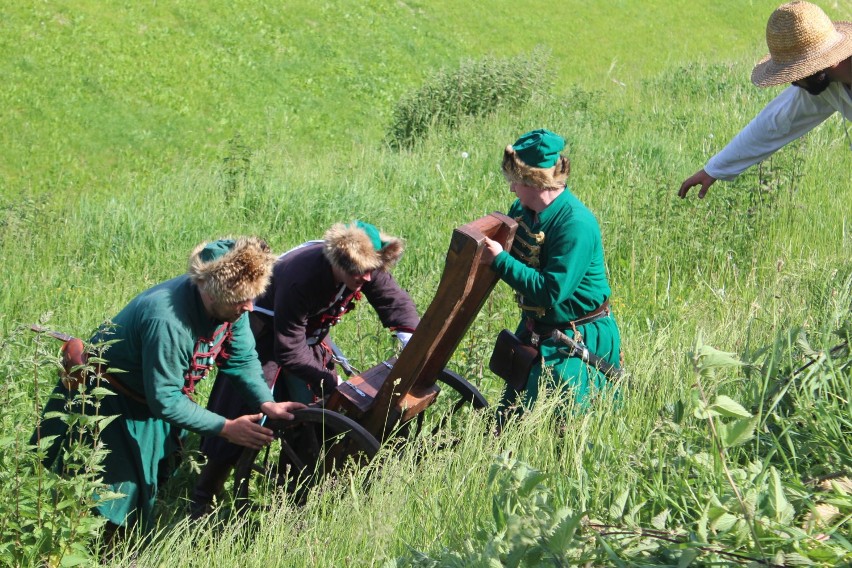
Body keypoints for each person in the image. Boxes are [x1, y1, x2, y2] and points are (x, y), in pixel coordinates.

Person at [31, 237, 305, 534]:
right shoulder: (167, 320)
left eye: (252, 297)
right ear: (212, 293)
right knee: (113, 496)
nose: (250, 307)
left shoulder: (231, 306)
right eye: (242, 299)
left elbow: (241, 358)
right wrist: (227, 428)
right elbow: (166, 400)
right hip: (108, 400)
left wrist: (266, 402)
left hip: (148, 401)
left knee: (147, 486)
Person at [190, 221, 419, 516]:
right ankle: (203, 496)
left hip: (305, 340)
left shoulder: (365, 265)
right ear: (338, 262)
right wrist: (330, 378)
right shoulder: (303, 275)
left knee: (312, 414)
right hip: (264, 338)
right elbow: (288, 347)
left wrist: (411, 338)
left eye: (371, 270)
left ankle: (292, 490)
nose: (366, 277)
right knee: (249, 414)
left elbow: (393, 301)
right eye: (358, 272)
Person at [481, 129, 622, 418]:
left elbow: (550, 291)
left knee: (564, 432)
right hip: (537, 332)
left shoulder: (576, 224)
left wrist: (499, 261)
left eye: (515, 181)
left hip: (577, 336)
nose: (511, 189)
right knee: (510, 423)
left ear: (534, 182)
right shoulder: (522, 210)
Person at [678, 1, 852, 199]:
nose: (793, 82)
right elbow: (776, 122)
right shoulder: (828, 82)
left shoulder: (822, 79)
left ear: (817, 67)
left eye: (795, 73)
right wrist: (714, 169)